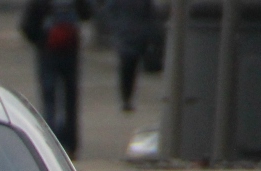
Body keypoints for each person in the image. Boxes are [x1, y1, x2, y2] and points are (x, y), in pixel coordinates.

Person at [21, 0, 96, 156]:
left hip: (48, 53)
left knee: (49, 100)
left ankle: (50, 142)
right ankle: (71, 144)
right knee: (70, 100)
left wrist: (40, 40)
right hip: (70, 52)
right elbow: (87, 13)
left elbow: (27, 25)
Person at [100, 0, 158, 112]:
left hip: (133, 35)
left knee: (129, 68)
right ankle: (127, 98)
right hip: (129, 35)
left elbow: (150, 15)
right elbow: (151, 15)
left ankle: (127, 98)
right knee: (128, 67)